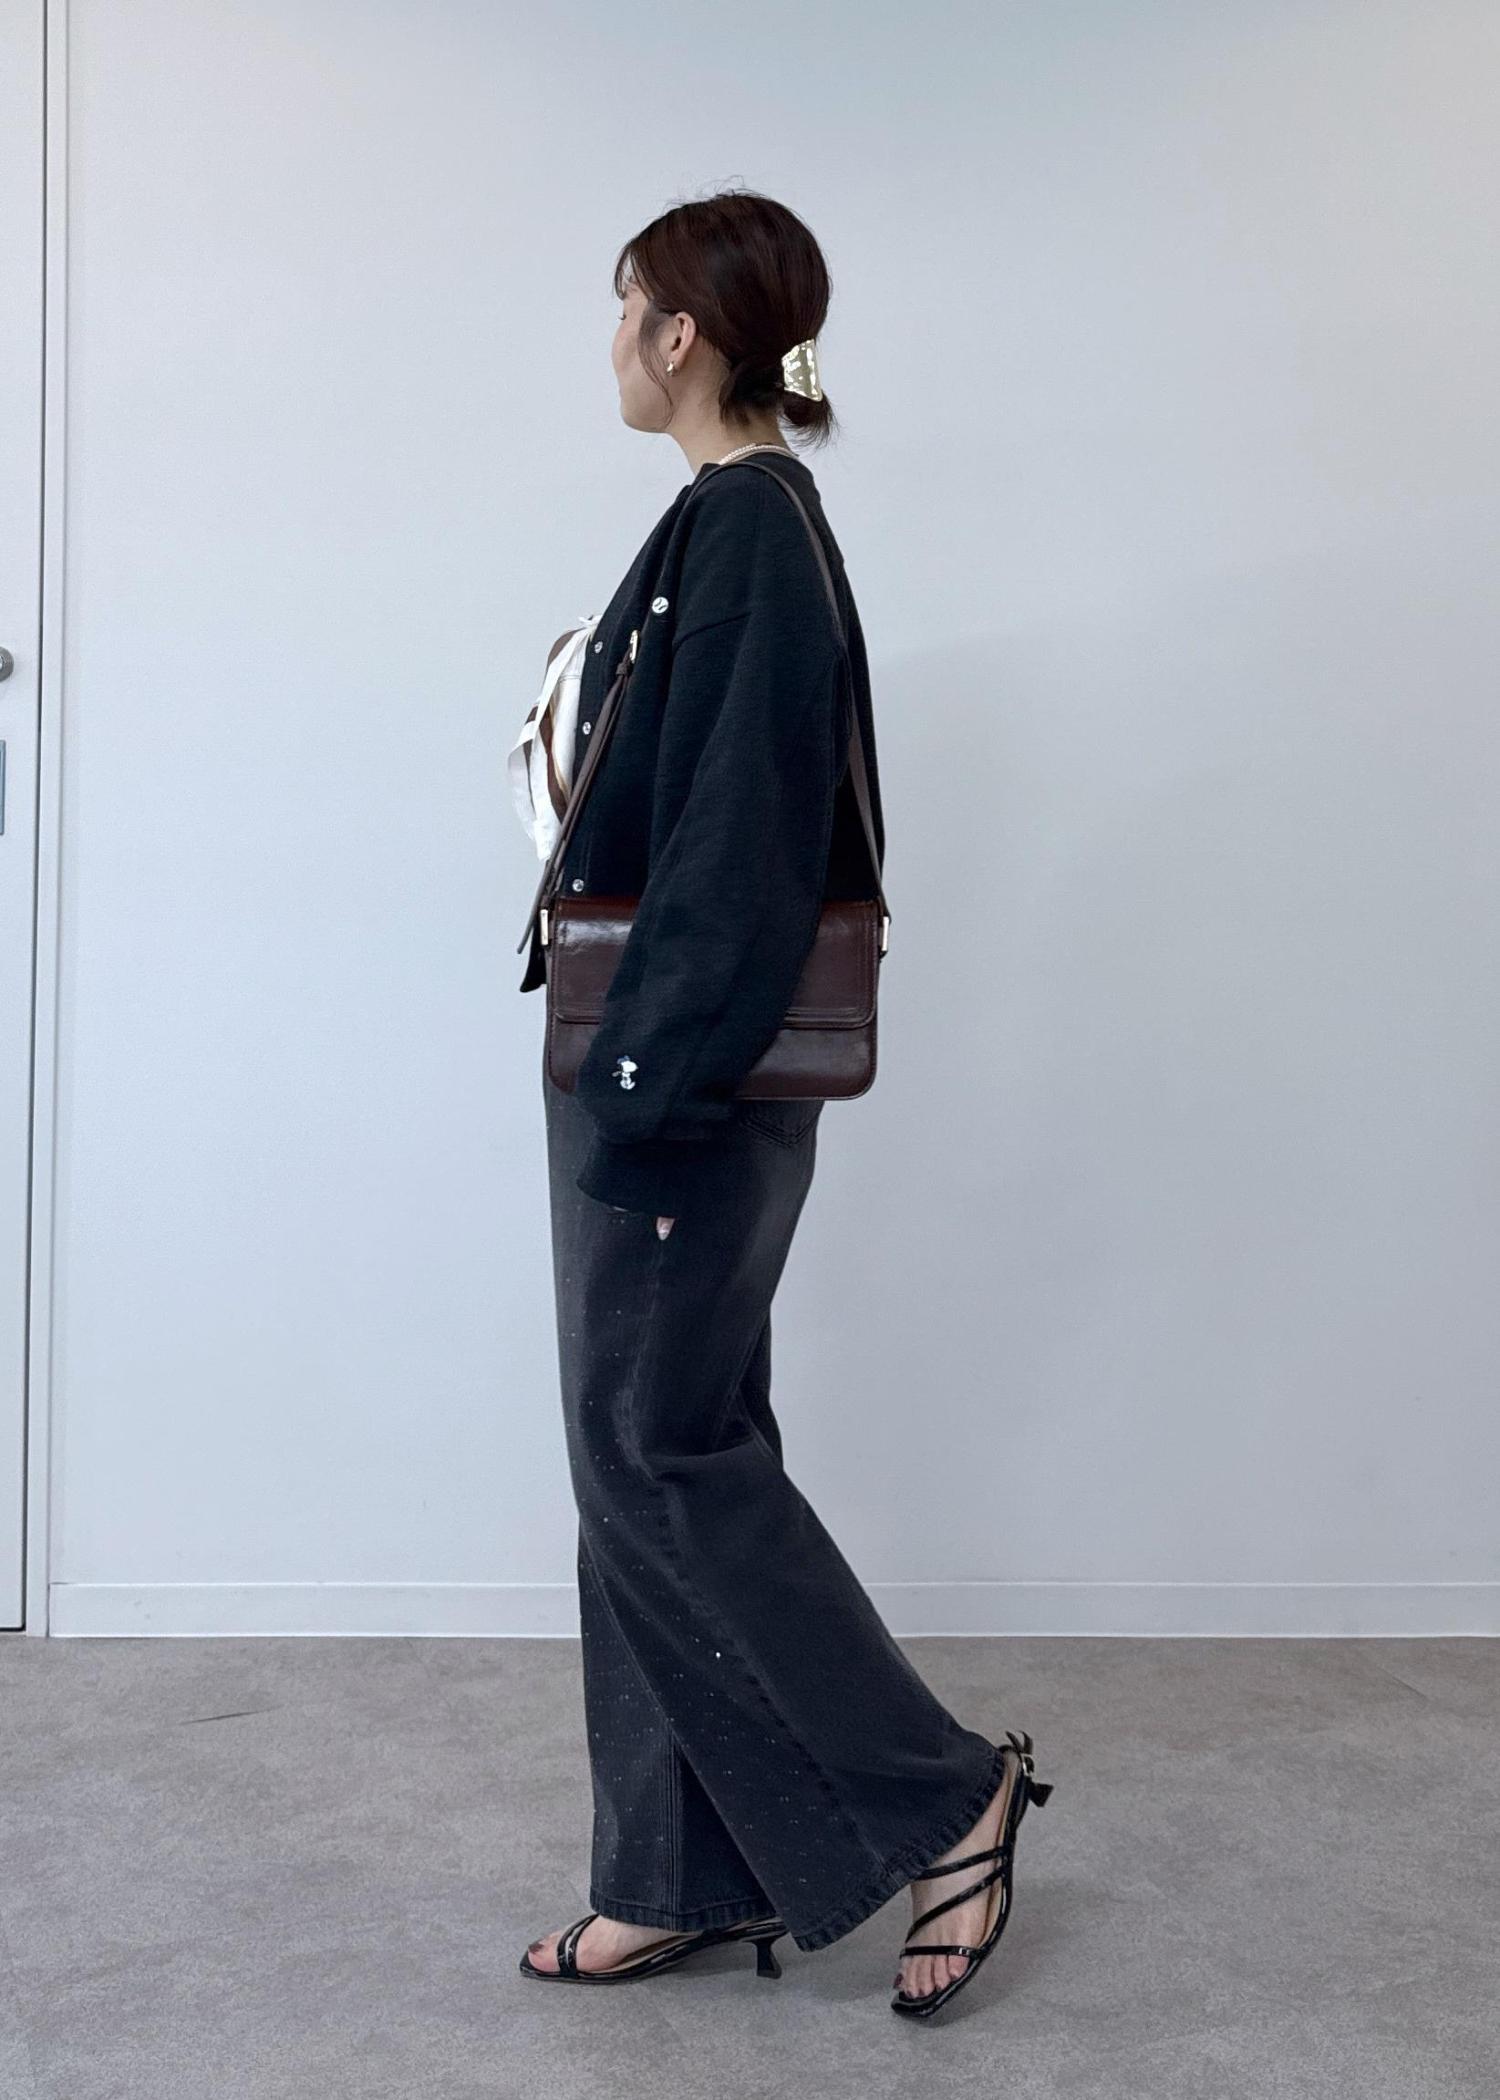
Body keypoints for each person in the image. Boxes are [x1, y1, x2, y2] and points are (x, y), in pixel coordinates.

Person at [515, 189, 1053, 2020]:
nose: (611, 339)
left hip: (674, 1078)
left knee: (662, 1457)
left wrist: (643, 1082)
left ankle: (948, 1795)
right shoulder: (727, 523)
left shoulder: (746, 529)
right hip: (662, 1064)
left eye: (623, 307)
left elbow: (743, 842)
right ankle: (673, 1871)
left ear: (680, 334)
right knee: (645, 1457)